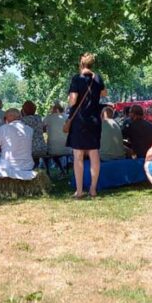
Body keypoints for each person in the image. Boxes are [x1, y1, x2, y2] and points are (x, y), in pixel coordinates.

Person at [66, 53, 107, 198]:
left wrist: (69, 101)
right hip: (94, 120)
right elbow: (104, 93)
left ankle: (79, 190)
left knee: (78, 155)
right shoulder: (97, 78)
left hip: (79, 120)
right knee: (94, 154)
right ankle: (93, 189)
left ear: (81, 64)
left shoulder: (77, 79)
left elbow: (73, 100)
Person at [0, 108, 34, 173]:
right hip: (27, 166)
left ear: (8, 118)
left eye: (5, 118)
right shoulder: (29, 129)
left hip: (8, 167)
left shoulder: (4, 128)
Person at [43, 103, 69, 174]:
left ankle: (48, 172)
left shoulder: (49, 117)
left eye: (52, 108)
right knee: (54, 151)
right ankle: (62, 170)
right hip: (68, 148)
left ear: (56, 109)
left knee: (45, 152)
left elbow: (42, 129)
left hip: (53, 149)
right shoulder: (68, 117)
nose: (51, 110)